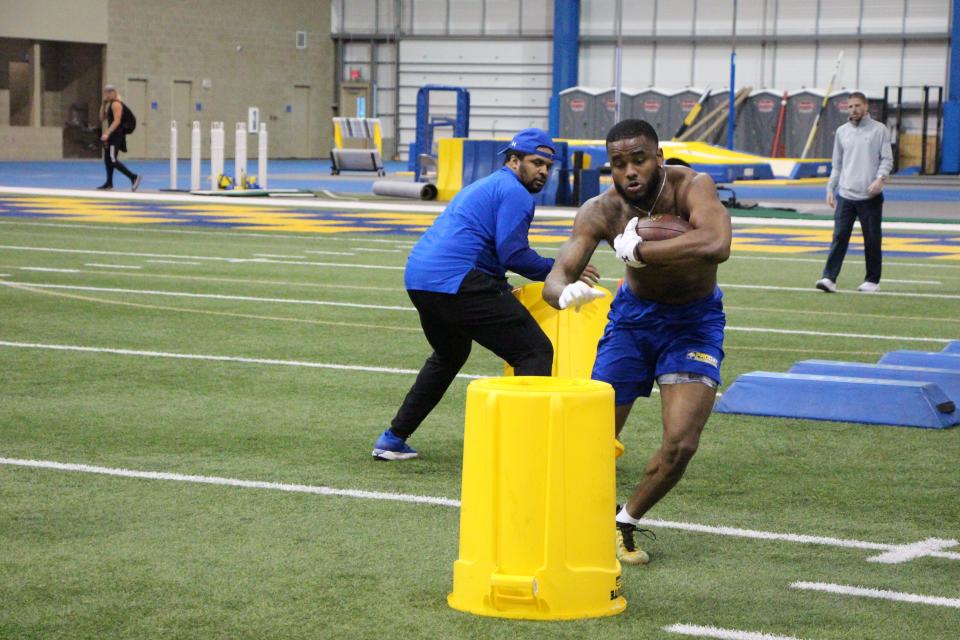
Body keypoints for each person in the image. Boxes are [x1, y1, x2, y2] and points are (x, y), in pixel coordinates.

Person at [542, 119, 731, 565]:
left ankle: (624, 522)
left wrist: (641, 251)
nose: (629, 171)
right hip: (632, 322)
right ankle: (582, 516)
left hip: (694, 322)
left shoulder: (693, 187)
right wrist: (563, 293)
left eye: (638, 159)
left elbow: (718, 242)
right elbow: (558, 272)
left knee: (681, 442)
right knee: (589, 437)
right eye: (619, 163)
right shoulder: (601, 210)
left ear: (659, 157)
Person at [372, 128, 600, 461]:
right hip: (455, 279)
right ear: (513, 160)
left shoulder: (487, 186)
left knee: (449, 355)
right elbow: (514, 254)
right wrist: (564, 270)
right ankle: (524, 450)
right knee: (534, 351)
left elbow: (482, 247)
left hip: (421, 278)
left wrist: (498, 283)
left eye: (548, 166)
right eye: (536, 162)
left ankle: (392, 439)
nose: (543, 172)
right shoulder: (516, 193)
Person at [816, 91, 893, 293]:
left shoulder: (879, 130)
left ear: (866, 107)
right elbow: (837, 164)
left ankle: (872, 280)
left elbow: (887, 159)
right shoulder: (842, 132)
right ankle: (828, 278)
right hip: (846, 195)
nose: (854, 110)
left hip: (870, 196)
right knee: (839, 236)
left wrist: (880, 179)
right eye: (850, 106)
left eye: (857, 106)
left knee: (872, 239)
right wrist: (830, 188)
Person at [97, 84, 141, 191]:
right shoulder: (110, 104)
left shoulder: (116, 104)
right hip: (112, 134)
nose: (106, 95)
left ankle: (133, 177)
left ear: (113, 93)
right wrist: (103, 104)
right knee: (107, 159)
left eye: (109, 92)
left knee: (112, 159)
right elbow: (101, 118)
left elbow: (117, 121)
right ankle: (109, 183)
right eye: (105, 93)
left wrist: (107, 133)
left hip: (116, 135)